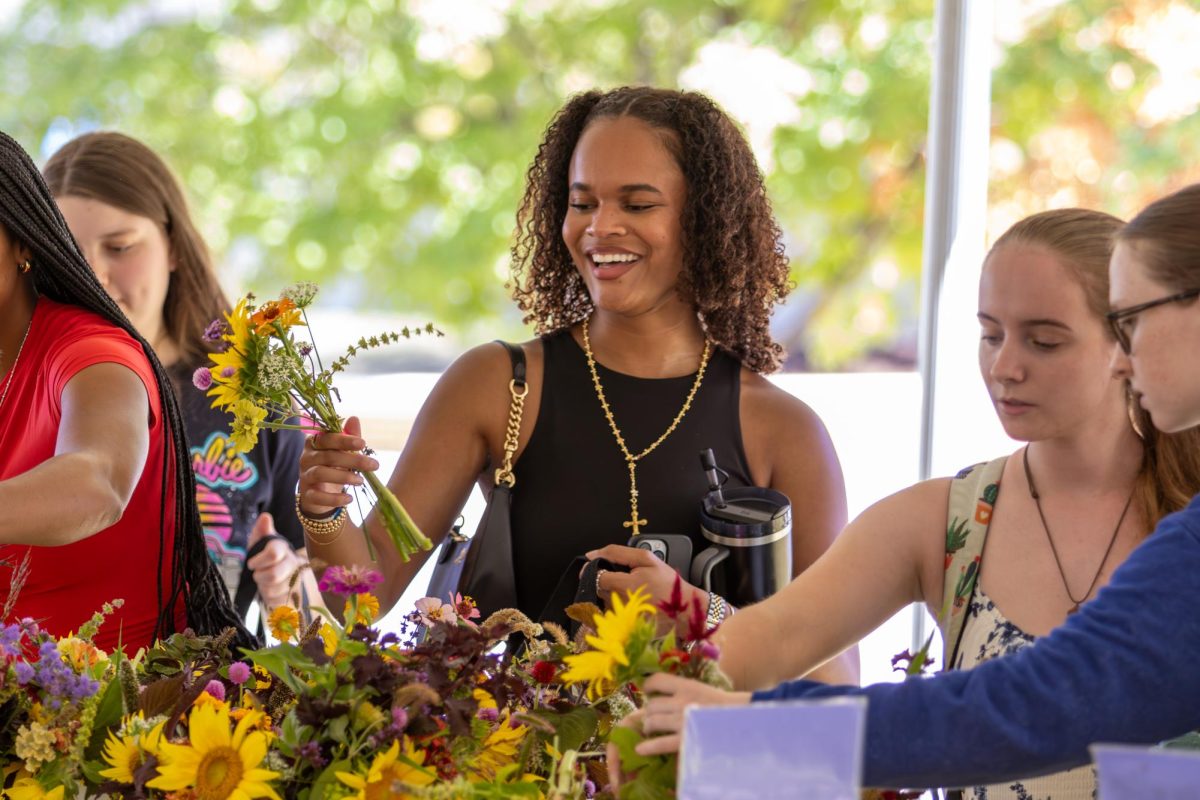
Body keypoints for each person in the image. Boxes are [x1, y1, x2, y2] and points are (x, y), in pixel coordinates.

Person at [616, 202, 1200, 795]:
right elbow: (779, 637)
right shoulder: (948, 518)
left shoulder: (1186, 526)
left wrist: (745, 727)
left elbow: (1013, 711)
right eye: (989, 333)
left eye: (1045, 341)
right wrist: (651, 702)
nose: (1004, 366)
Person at [296, 86, 855, 681]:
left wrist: (697, 614)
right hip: (511, 770)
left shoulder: (785, 432)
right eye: (582, 203)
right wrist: (323, 511)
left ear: (705, 219)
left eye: (638, 205)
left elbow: (835, 681)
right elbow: (363, 599)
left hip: (698, 772)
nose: (601, 227)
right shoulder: (498, 386)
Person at [0, 131, 251, 653]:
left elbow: (99, 481)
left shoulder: (96, 352)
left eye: (118, 246)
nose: (98, 266)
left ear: (24, 241)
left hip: (118, 714)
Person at [43, 131, 311, 619]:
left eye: (120, 247)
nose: (94, 275)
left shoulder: (252, 391)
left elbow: (326, 582)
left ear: (173, 247)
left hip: (216, 689)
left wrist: (292, 583)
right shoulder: (17, 386)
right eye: (68, 253)